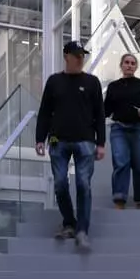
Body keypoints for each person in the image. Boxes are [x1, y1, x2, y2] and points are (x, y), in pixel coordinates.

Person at [35, 40, 106, 248]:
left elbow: (99, 115)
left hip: (85, 141)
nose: (80, 59)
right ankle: (69, 223)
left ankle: (82, 230)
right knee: (59, 183)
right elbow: (45, 112)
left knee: (83, 184)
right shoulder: (54, 81)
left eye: (82, 56)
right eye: (76, 55)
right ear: (66, 56)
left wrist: (100, 143)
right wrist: (40, 138)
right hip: (58, 141)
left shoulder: (92, 82)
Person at [104, 51, 140, 209]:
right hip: (119, 128)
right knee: (121, 162)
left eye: (132, 63)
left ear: (136, 67)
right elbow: (106, 109)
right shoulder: (113, 87)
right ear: (121, 65)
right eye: (126, 62)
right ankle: (119, 198)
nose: (129, 65)